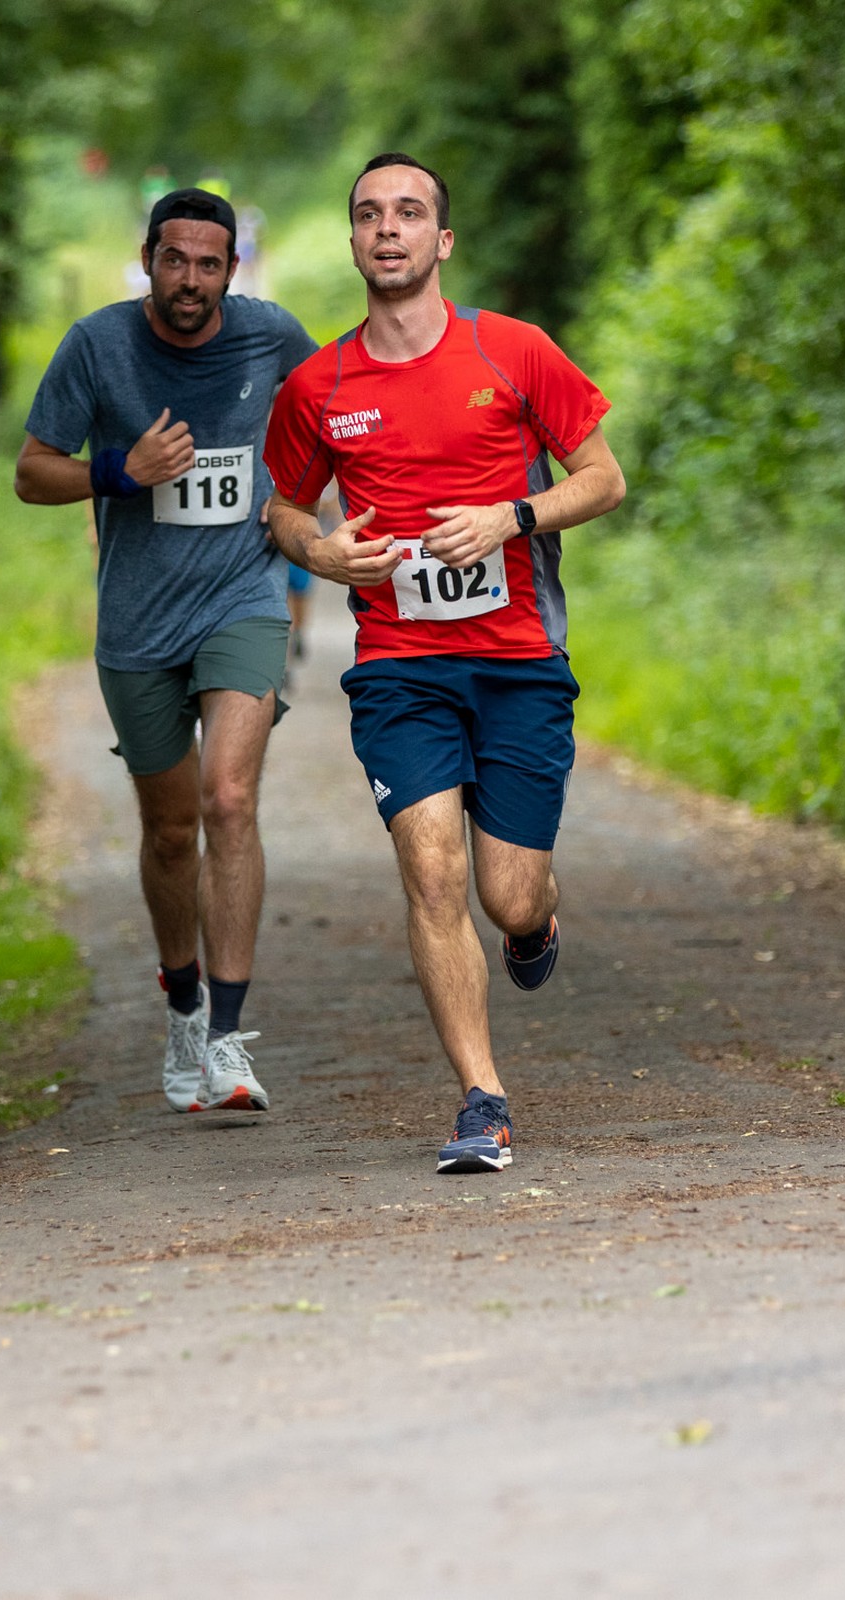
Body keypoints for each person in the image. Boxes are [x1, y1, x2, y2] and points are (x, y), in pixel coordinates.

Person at [261, 153, 627, 1173]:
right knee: (430, 871)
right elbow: (283, 507)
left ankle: (534, 920)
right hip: (400, 666)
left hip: (518, 660)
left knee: (508, 895)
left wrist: (513, 516)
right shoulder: (319, 385)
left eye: (409, 212)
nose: (389, 228)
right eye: (370, 214)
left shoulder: (513, 351)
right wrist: (321, 552)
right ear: (353, 241)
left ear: (442, 240)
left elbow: (604, 479)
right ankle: (482, 1099)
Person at [17, 188, 319, 1115]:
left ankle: (227, 1037)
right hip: (139, 622)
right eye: (175, 259)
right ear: (149, 258)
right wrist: (120, 471)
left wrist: (295, 501)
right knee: (172, 829)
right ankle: (182, 1004)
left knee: (229, 798)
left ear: (233, 269)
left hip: (243, 600)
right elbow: (32, 473)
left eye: (209, 264)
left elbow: (337, 413)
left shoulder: (270, 336)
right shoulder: (97, 345)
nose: (191, 279)